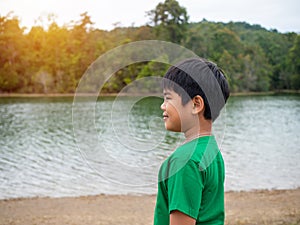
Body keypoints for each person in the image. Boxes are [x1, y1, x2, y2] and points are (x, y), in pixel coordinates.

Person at [153, 57, 230, 225]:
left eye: (168, 98)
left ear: (196, 104)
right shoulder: (210, 149)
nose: (162, 106)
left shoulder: (184, 161)